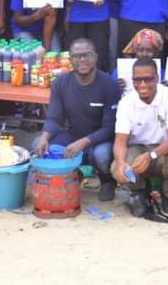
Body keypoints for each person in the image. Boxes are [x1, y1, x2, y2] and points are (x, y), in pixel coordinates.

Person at [34, 38, 120, 202]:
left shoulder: (109, 85)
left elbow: (109, 128)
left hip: (99, 139)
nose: (82, 60)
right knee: (39, 144)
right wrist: (45, 136)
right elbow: (54, 118)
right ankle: (74, 173)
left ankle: (107, 181)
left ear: (95, 57)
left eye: (87, 55)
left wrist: (84, 142)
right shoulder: (61, 82)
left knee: (102, 155)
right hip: (72, 136)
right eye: (76, 56)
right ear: (70, 59)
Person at [112, 57, 168, 223]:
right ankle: (140, 193)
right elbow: (120, 141)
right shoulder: (126, 102)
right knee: (117, 167)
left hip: (164, 149)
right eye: (137, 80)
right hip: (138, 149)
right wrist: (121, 163)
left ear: (157, 78)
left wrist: (151, 155)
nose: (143, 84)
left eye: (148, 79)